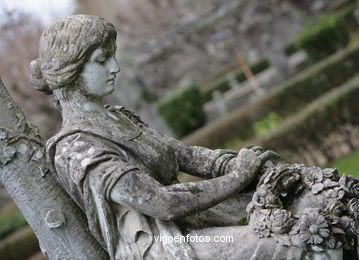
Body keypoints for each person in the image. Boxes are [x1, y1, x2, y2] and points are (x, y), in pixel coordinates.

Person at [30, 15, 280, 259]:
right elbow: (161, 202)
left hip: (192, 219)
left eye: (113, 56)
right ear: (69, 71)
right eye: (102, 60)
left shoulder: (119, 116)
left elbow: (184, 154)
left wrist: (234, 164)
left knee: (290, 203)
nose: (115, 67)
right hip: (160, 244)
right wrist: (238, 177)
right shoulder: (74, 148)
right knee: (279, 242)